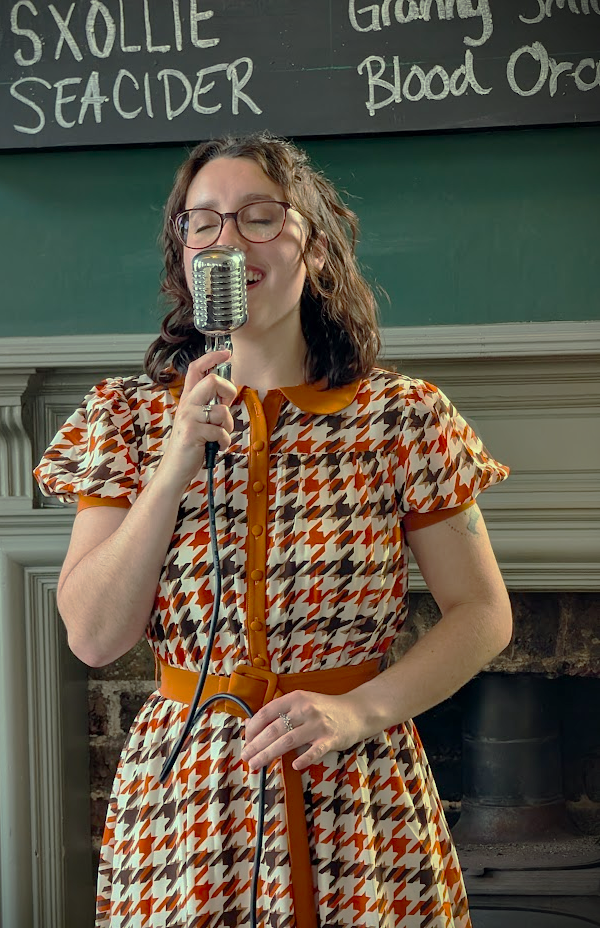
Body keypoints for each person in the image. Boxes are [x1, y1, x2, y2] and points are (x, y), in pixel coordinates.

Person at [34, 132, 512, 928]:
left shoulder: (402, 418)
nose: (228, 238)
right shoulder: (126, 420)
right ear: (183, 254)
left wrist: (357, 711)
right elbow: (92, 635)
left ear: (315, 250)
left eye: (260, 216)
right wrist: (177, 457)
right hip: (186, 796)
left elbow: (482, 613)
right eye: (203, 221)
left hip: (354, 781)